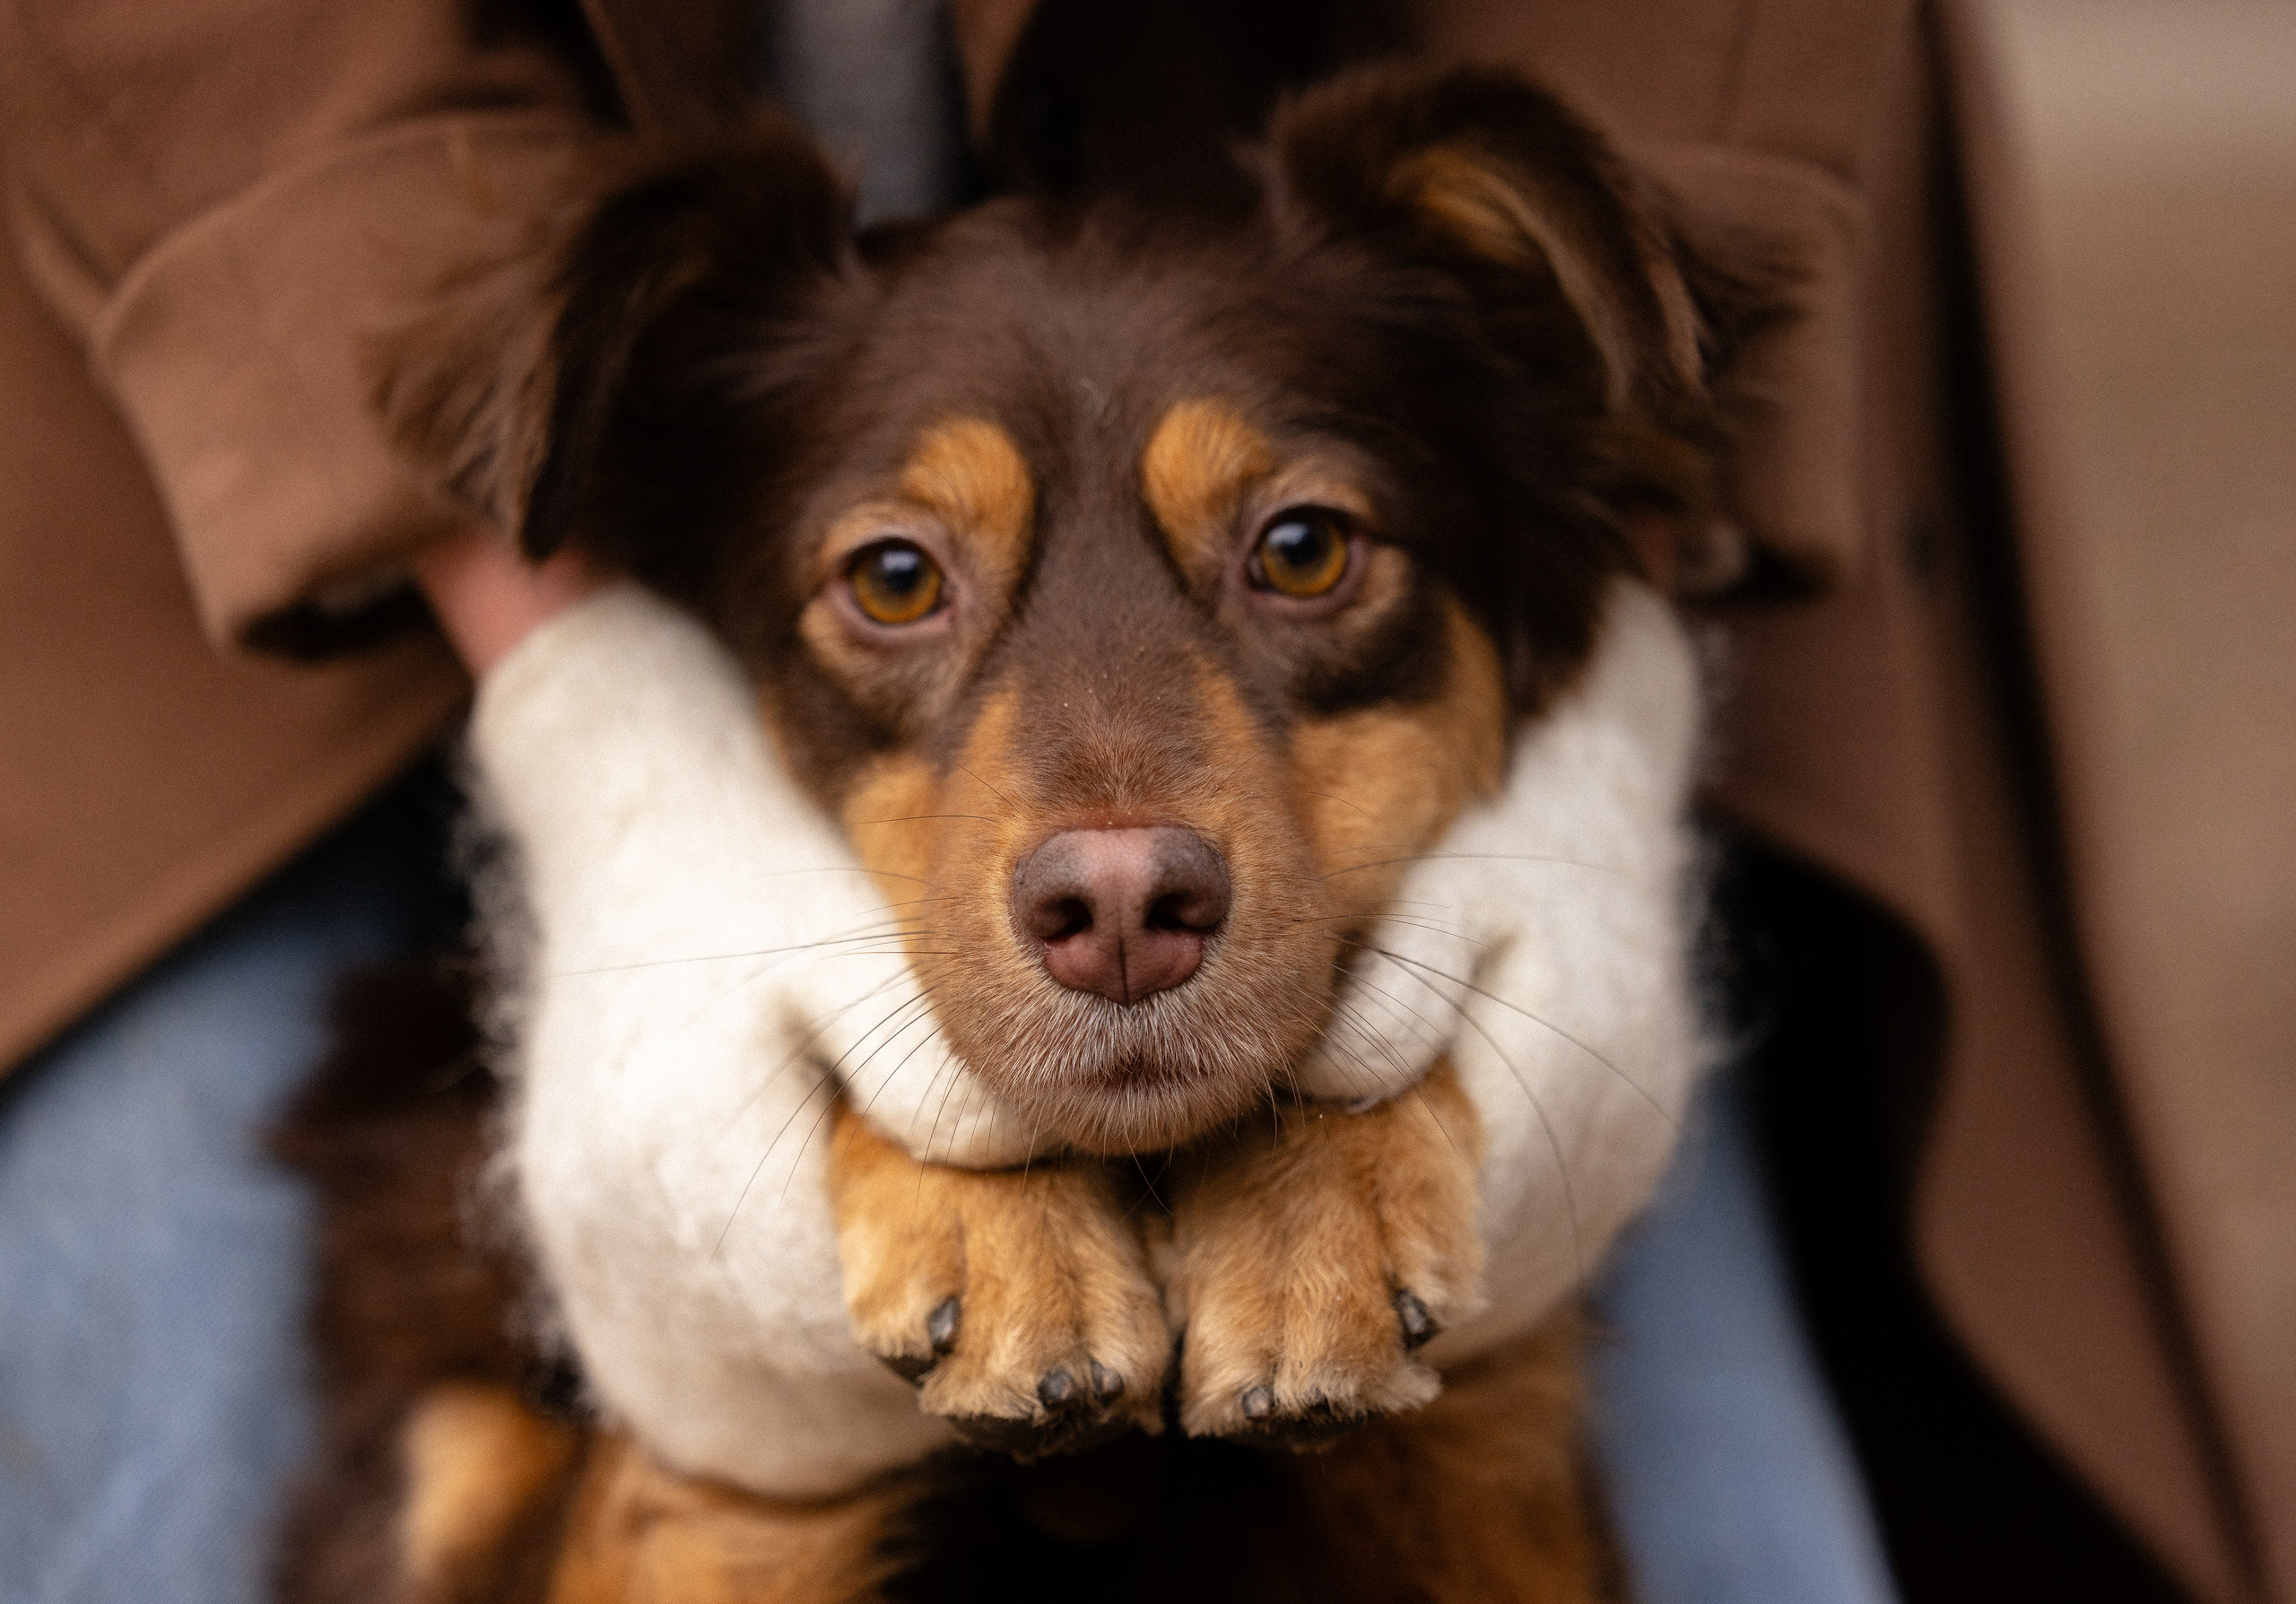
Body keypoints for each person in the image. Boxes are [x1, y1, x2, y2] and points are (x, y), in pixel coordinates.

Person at [1, 3, 2284, 1601]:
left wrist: (1503, 957)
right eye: (900, 580)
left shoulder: (1514, 354)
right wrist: (599, 733)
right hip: (217, 531)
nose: (1116, 848)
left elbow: (1661, 238)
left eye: (1295, 552)